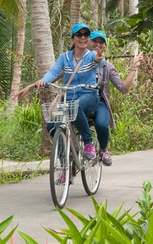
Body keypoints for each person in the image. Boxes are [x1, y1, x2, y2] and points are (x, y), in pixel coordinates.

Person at [16, 23, 105, 159]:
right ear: (73, 38)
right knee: (52, 126)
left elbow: (98, 60)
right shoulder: (65, 57)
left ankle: (88, 143)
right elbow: (53, 72)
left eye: (86, 35)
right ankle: (65, 165)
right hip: (68, 100)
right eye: (79, 35)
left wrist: (99, 59)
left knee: (77, 106)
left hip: (89, 97)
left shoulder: (91, 55)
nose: (83, 37)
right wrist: (42, 81)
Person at [90, 31, 143, 167]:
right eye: (94, 42)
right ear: (88, 44)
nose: (98, 45)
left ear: (105, 46)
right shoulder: (77, 62)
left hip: (99, 102)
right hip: (79, 101)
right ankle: (64, 167)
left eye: (101, 42)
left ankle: (103, 149)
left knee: (102, 125)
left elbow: (123, 88)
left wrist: (133, 67)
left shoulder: (107, 67)